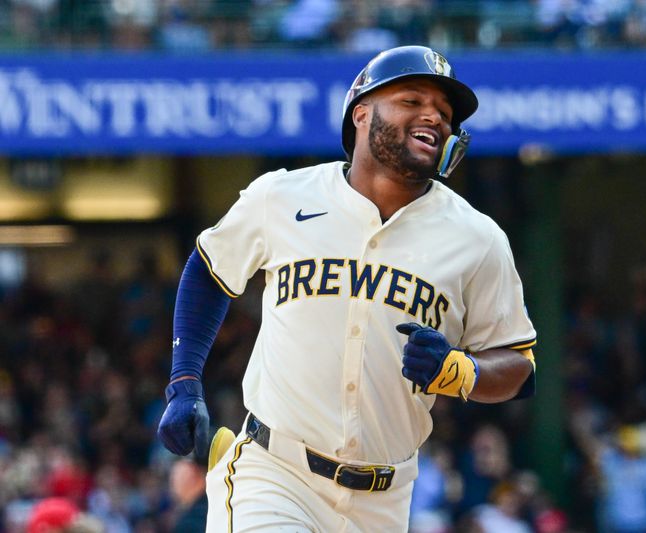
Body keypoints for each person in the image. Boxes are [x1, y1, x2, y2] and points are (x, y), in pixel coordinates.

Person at [156, 45, 537, 532]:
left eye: (444, 113)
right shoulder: (282, 196)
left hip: (387, 499)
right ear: (361, 113)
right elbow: (210, 269)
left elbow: (519, 367)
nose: (433, 117)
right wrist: (184, 381)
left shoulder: (478, 239)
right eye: (413, 101)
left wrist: (459, 372)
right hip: (275, 474)